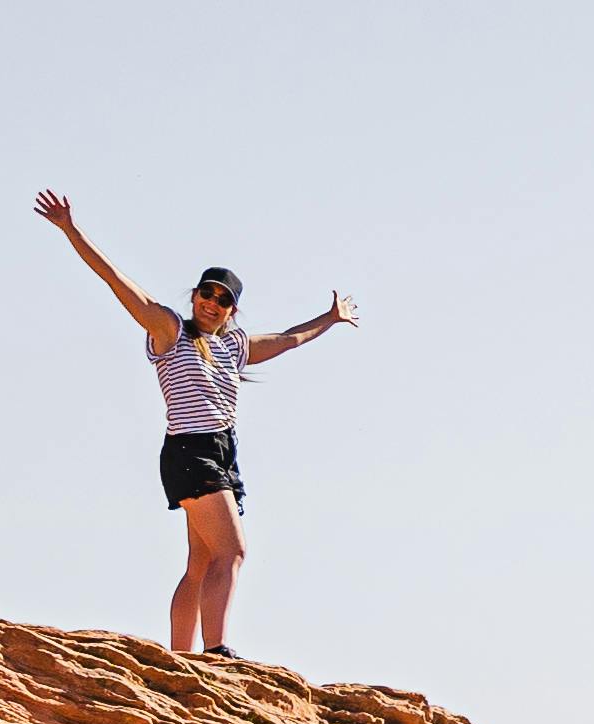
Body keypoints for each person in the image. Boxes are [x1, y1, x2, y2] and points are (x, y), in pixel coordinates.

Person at [35, 188, 357, 655]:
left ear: (232, 310)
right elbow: (116, 281)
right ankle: (216, 651)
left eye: (223, 300)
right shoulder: (170, 330)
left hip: (220, 452)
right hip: (192, 448)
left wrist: (329, 318)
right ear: (195, 295)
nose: (212, 302)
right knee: (234, 551)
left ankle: (180, 659)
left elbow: (289, 339)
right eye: (206, 293)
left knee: (202, 562)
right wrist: (71, 230)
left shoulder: (235, 346)